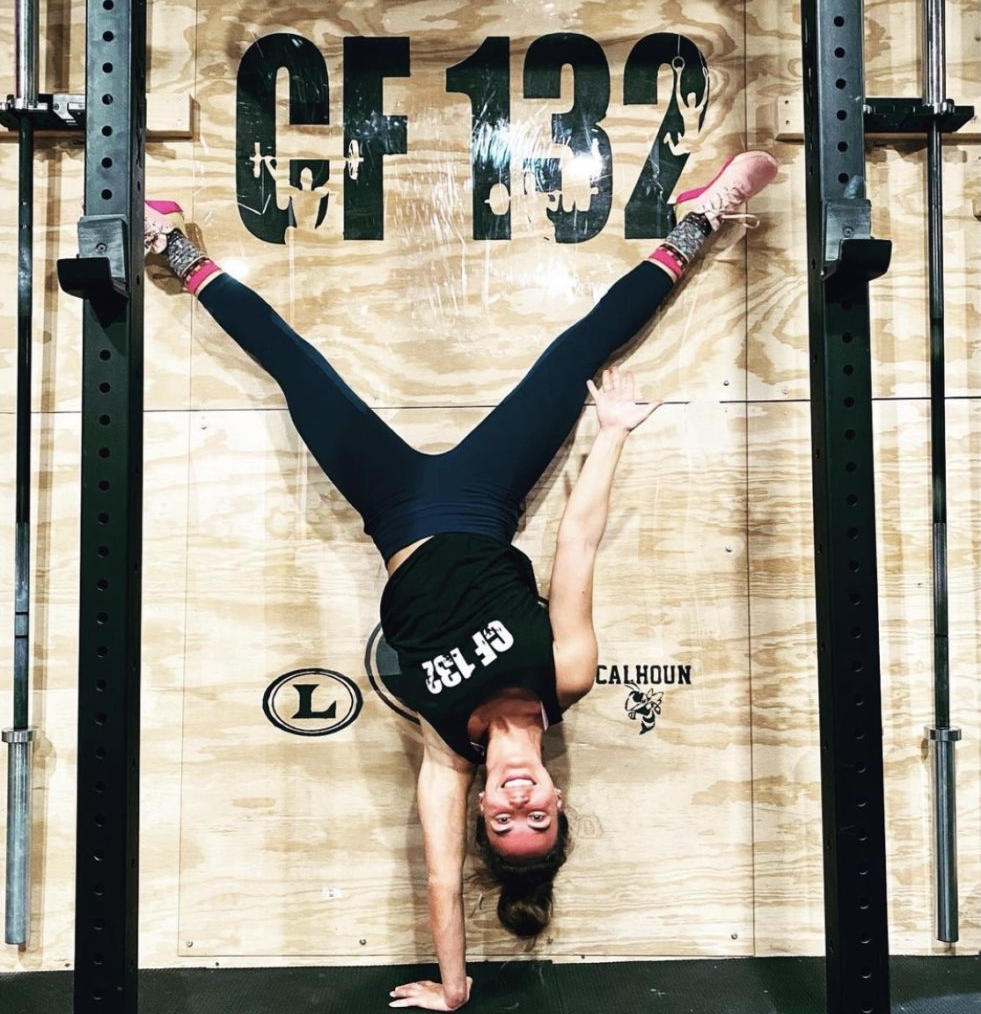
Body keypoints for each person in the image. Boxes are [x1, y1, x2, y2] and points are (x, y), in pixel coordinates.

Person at [145, 149, 778, 1011]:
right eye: (539, 820)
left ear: (482, 807)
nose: (518, 806)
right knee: (577, 355)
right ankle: (702, 217)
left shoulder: (446, 751)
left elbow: (443, 884)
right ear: (558, 797)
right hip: (485, 497)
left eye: (503, 824)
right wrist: (614, 435)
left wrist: (453, 989)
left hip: (393, 509)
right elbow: (577, 551)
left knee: (296, 369)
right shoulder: (565, 679)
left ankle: (169, 245)